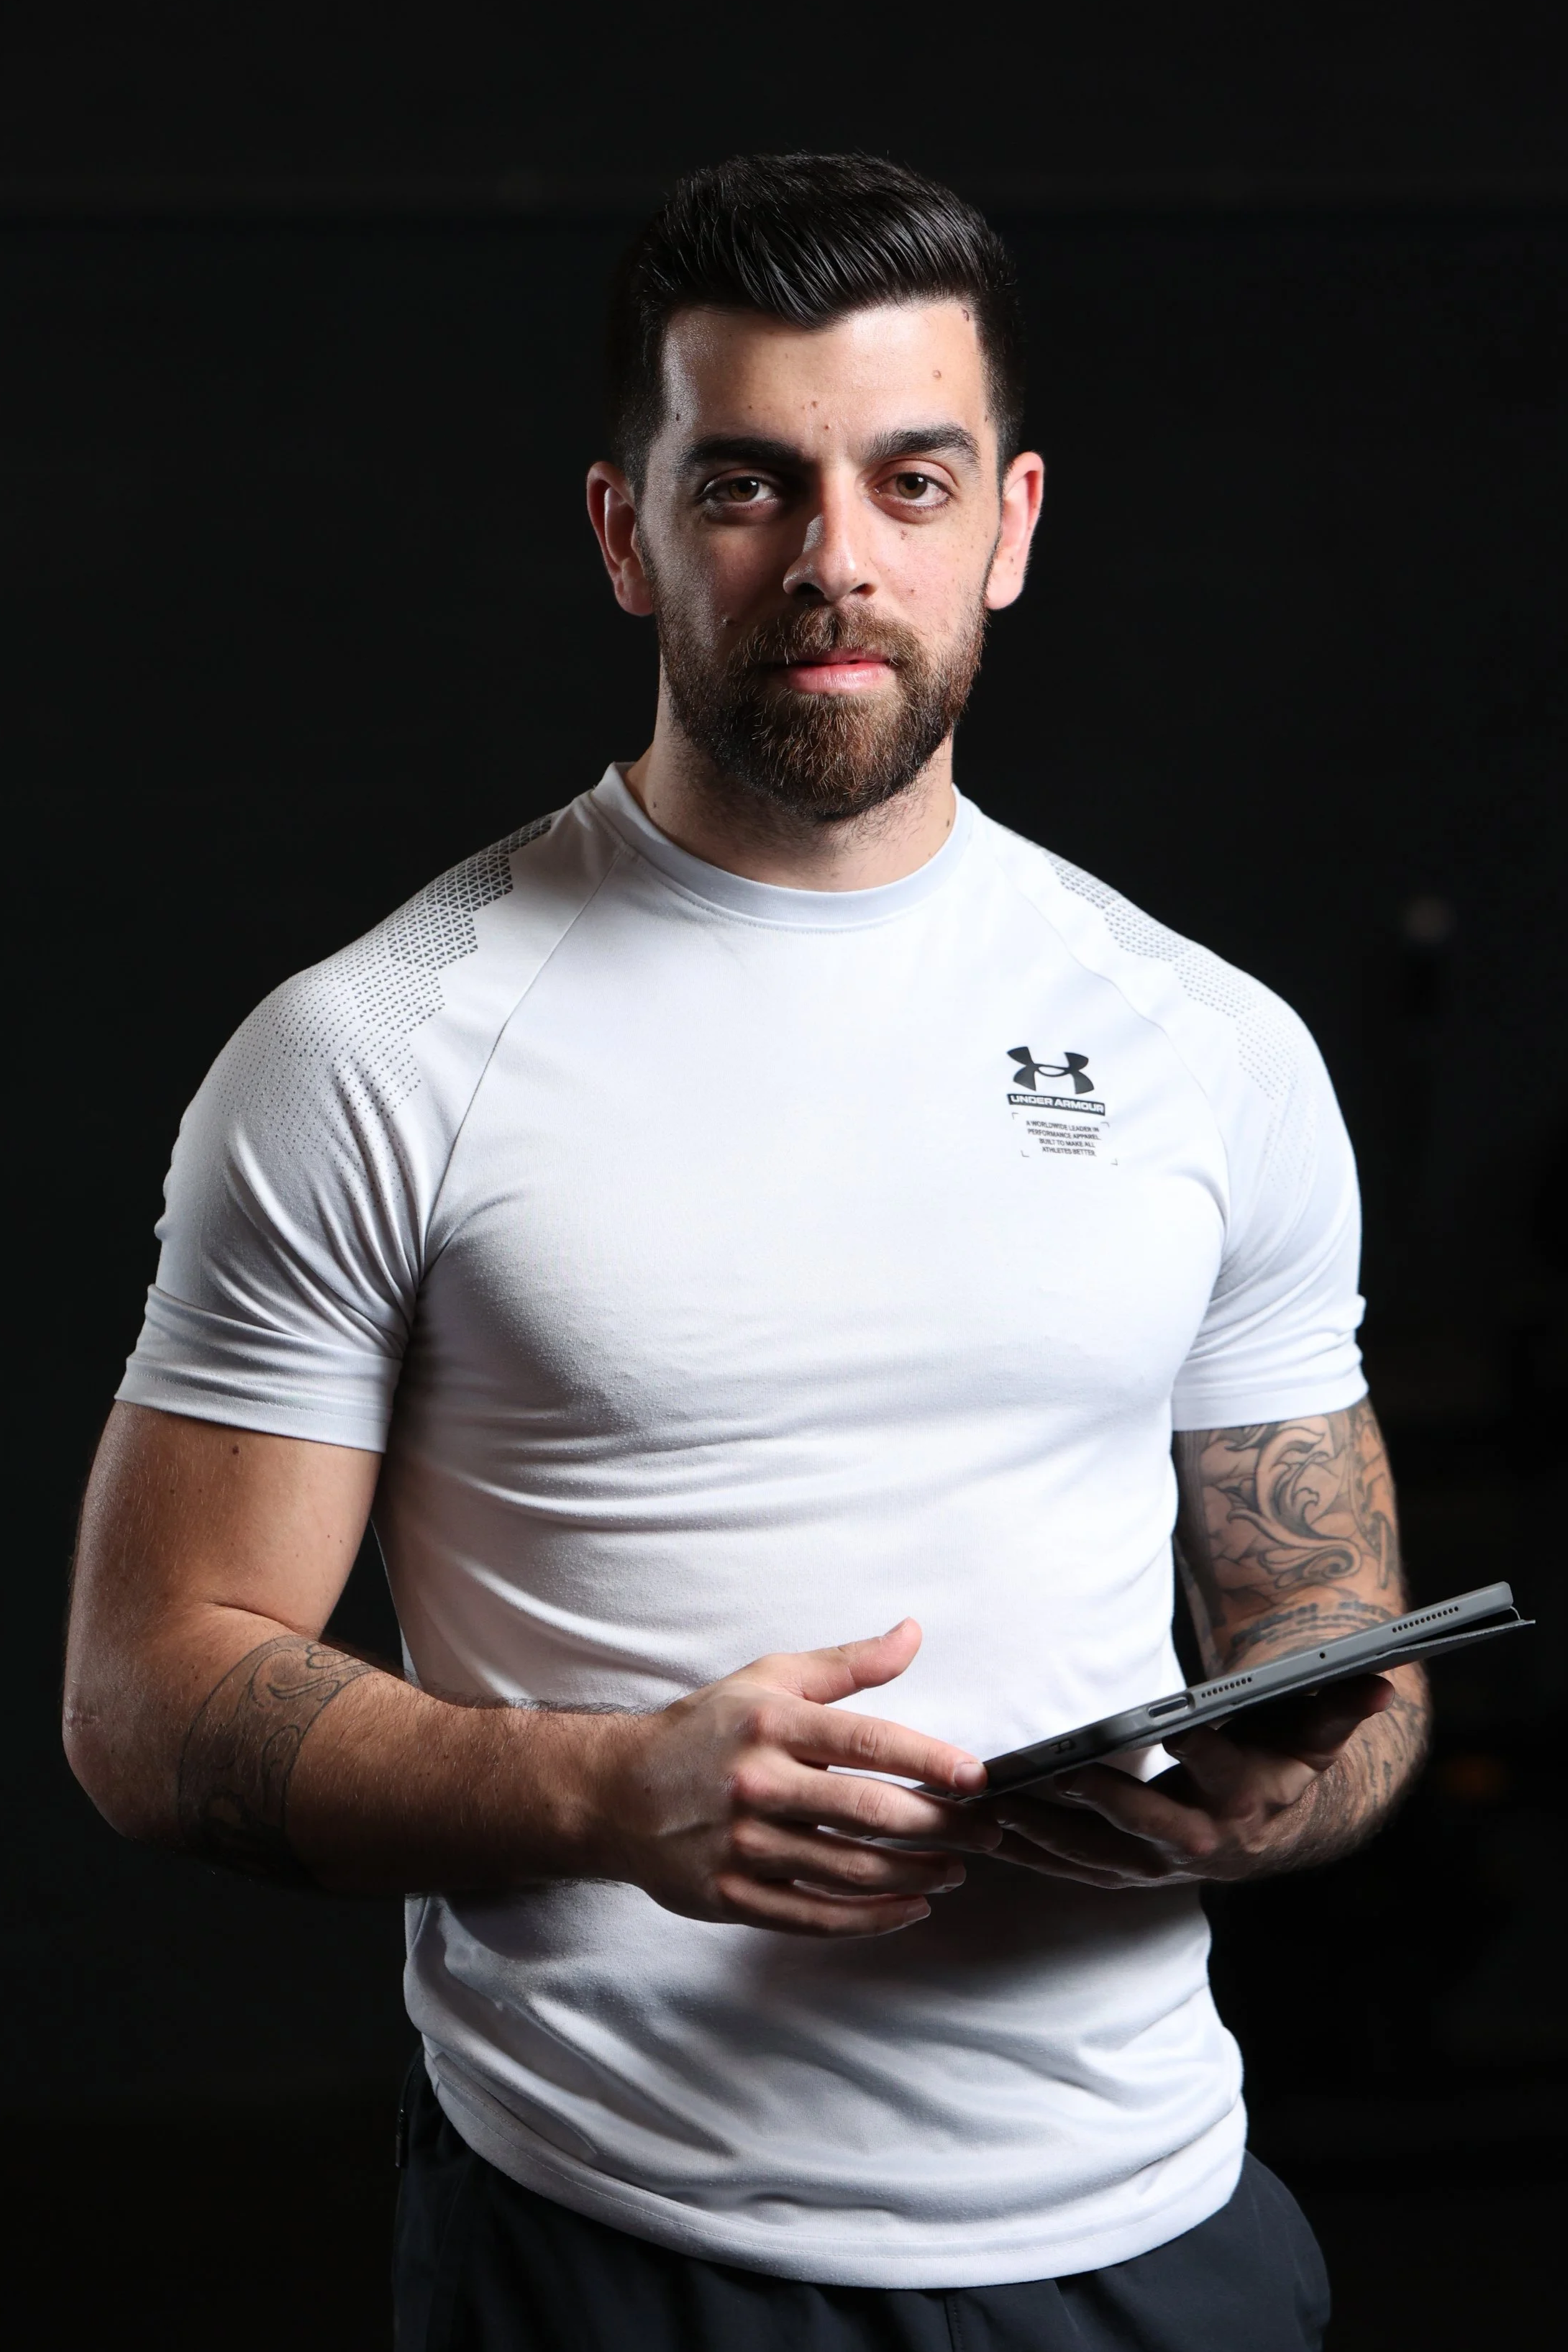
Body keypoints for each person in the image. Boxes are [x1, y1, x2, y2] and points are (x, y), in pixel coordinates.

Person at [64, 153, 1430, 2351]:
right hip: (621, 2245)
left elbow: (1333, 1628)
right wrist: (614, 1792)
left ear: (1011, 522)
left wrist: (1287, 1788)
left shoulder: (1208, 1046)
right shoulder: (378, 1048)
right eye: (745, 486)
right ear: (624, 531)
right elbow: (148, 1697)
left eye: (910, 480)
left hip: (1162, 2230)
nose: (833, 563)